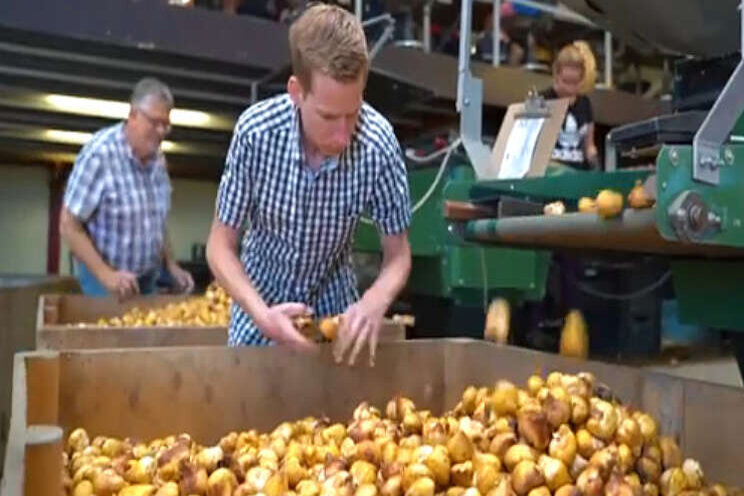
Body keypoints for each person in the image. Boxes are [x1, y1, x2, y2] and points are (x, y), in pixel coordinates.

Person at [207, 4, 412, 365]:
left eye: (354, 113)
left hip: (335, 319)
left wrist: (373, 301)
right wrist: (262, 315)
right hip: (259, 308)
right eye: (329, 117)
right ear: (296, 92)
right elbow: (220, 247)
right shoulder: (256, 133)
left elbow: (398, 256)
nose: (343, 134)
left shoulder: (379, 143)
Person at [60, 78, 195, 298]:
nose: (161, 131)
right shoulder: (99, 155)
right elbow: (68, 225)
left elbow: (157, 222)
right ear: (133, 115)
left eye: (166, 124)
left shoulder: (158, 161)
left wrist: (171, 265)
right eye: (155, 122)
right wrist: (107, 276)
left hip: (147, 279)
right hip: (103, 280)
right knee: (111, 332)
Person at [541, 44, 599, 170]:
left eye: (575, 83)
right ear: (556, 75)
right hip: (551, 171)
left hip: (578, 172)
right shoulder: (543, 101)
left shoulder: (585, 104)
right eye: (566, 82)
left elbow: (589, 145)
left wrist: (595, 164)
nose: (570, 89)